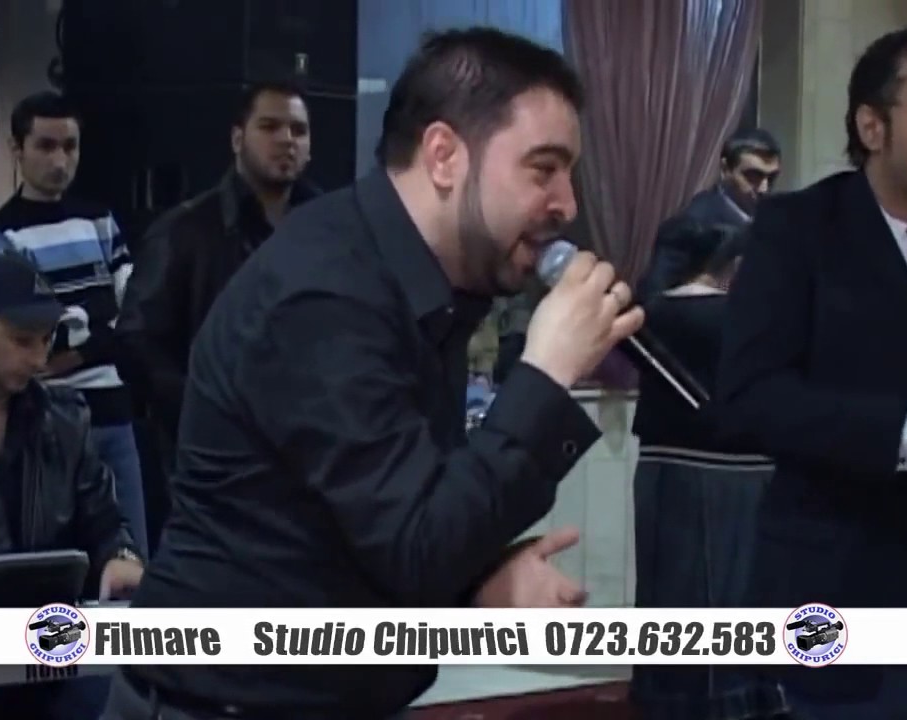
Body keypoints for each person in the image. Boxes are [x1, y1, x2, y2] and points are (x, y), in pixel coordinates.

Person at [103, 27, 644, 720]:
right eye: (543, 169)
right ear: (444, 155)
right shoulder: (325, 295)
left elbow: (377, 518)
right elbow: (416, 541)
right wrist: (544, 373)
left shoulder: (424, 289)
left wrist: (474, 584)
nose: (567, 203)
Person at [714, 27, 907, 720]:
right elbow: (749, 398)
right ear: (872, 126)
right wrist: (902, 433)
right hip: (839, 579)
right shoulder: (798, 229)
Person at [0, 252, 144, 720]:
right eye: (22, 341)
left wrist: (120, 557)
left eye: (45, 340)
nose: (39, 359)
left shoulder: (63, 420)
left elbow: (103, 521)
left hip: (47, 669)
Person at [0, 91, 149, 557]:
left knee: (131, 559)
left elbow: (131, 311)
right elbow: (24, 324)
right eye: (46, 146)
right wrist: (90, 317)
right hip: (43, 417)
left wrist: (80, 340)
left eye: (70, 146)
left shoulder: (100, 220)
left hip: (111, 409)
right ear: (18, 148)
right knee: (49, 561)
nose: (60, 160)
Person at [115, 81, 321, 475]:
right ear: (238, 139)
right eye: (270, 127)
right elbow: (137, 341)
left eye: (298, 130)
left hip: (310, 452)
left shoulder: (330, 228)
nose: (286, 140)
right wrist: (199, 412)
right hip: (216, 459)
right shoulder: (184, 230)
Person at [629, 224, 786, 720]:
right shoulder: (750, 319)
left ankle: (669, 697)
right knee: (734, 599)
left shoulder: (648, 314)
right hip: (739, 476)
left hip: (661, 469)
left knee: (671, 596)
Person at [643, 129, 780, 295]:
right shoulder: (693, 224)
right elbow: (653, 299)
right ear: (725, 169)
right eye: (752, 176)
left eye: (771, 178)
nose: (764, 188)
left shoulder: (776, 220)